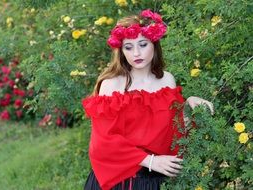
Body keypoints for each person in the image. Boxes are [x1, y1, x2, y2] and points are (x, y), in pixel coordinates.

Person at [82, 9, 214, 190]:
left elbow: (174, 134)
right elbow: (103, 142)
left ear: (154, 44)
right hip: (121, 181)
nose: (136, 53)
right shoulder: (111, 84)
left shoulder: (166, 80)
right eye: (129, 47)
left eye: (143, 44)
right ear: (121, 51)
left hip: (155, 181)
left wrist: (189, 105)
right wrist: (149, 161)